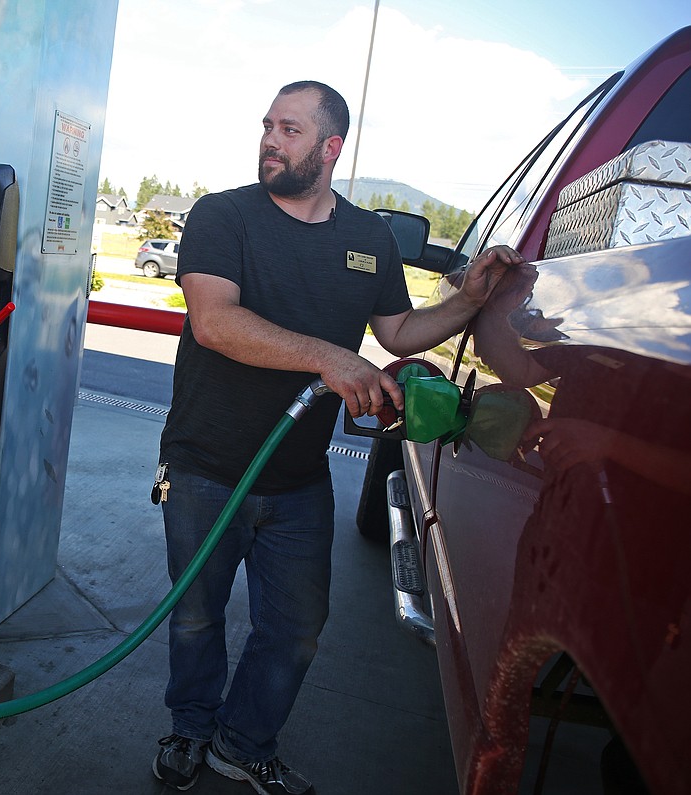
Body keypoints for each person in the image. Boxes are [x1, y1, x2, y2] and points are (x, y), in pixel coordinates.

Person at [151, 80, 525, 795]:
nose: (269, 139)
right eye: (266, 125)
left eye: (288, 129)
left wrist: (471, 298)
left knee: (295, 629)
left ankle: (242, 739)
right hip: (204, 469)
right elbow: (215, 323)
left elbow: (399, 333)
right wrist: (330, 357)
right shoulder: (222, 215)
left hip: (297, 479)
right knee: (196, 618)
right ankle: (190, 728)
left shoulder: (368, 239)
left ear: (330, 147)